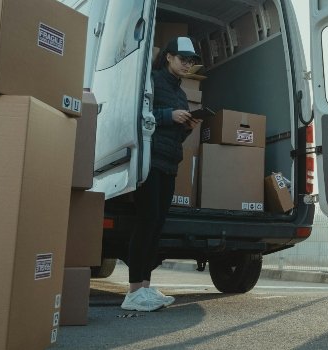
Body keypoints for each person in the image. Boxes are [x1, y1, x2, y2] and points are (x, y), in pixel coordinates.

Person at [121, 37, 203, 312]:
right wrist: (170, 115)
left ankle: (145, 287)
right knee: (145, 222)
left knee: (157, 224)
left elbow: (175, 133)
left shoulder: (181, 93)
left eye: (191, 61)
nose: (187, 65)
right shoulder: (152, 81)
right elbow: (137, 115)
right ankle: (133, 291)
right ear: (168, 56)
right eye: (183, 59)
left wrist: (187, 125)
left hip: (169, 163)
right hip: (150, 160)